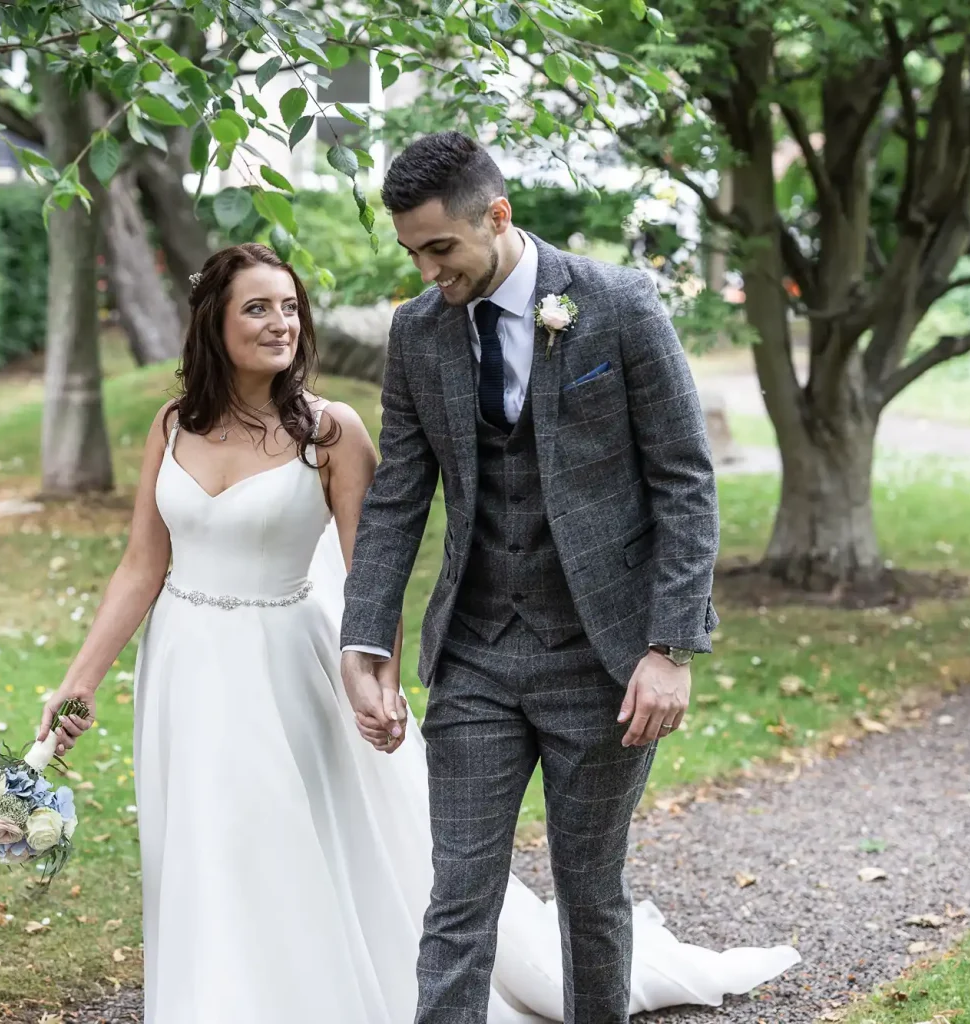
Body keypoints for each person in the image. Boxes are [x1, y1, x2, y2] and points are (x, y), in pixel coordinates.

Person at [36, 236, 797, 1023]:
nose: (280, 324)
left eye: (290, 307)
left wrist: (382, 673)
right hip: (186, 670)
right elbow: (140, 564)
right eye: (257, 308)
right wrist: (80, 680)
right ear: (212, 325)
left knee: (295, 841)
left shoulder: (330, 433)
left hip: (287, 667)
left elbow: (380, 560)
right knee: (201, 846)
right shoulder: (171, 425)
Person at [340, 131, 728, 1024]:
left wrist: (670, 646)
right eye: (412, 253)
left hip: (605, 659)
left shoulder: (620, 305)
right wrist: (367, 635)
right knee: (459, 894)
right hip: (476, 655)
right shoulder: (418, 332)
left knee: (592, 892)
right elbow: (398, 495)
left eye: (442, 248)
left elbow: (684, 480)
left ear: (498, 216)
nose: (430, 270)